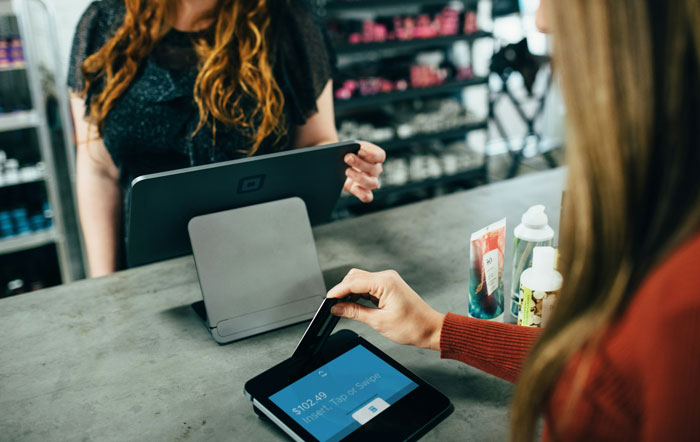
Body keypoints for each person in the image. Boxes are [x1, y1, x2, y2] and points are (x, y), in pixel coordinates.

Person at [327, 0, 700, 441]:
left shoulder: (683, 300)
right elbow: (603, 370)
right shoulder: (665, 230)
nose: (541, 18)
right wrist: (436, 329)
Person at [68, 0, 385, 277]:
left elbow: (315, 140)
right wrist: (105, 284)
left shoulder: (288, 18)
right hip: (147, 268)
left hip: (266, 259)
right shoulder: (102, 22)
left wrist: (340, 164)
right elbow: (98, 169)